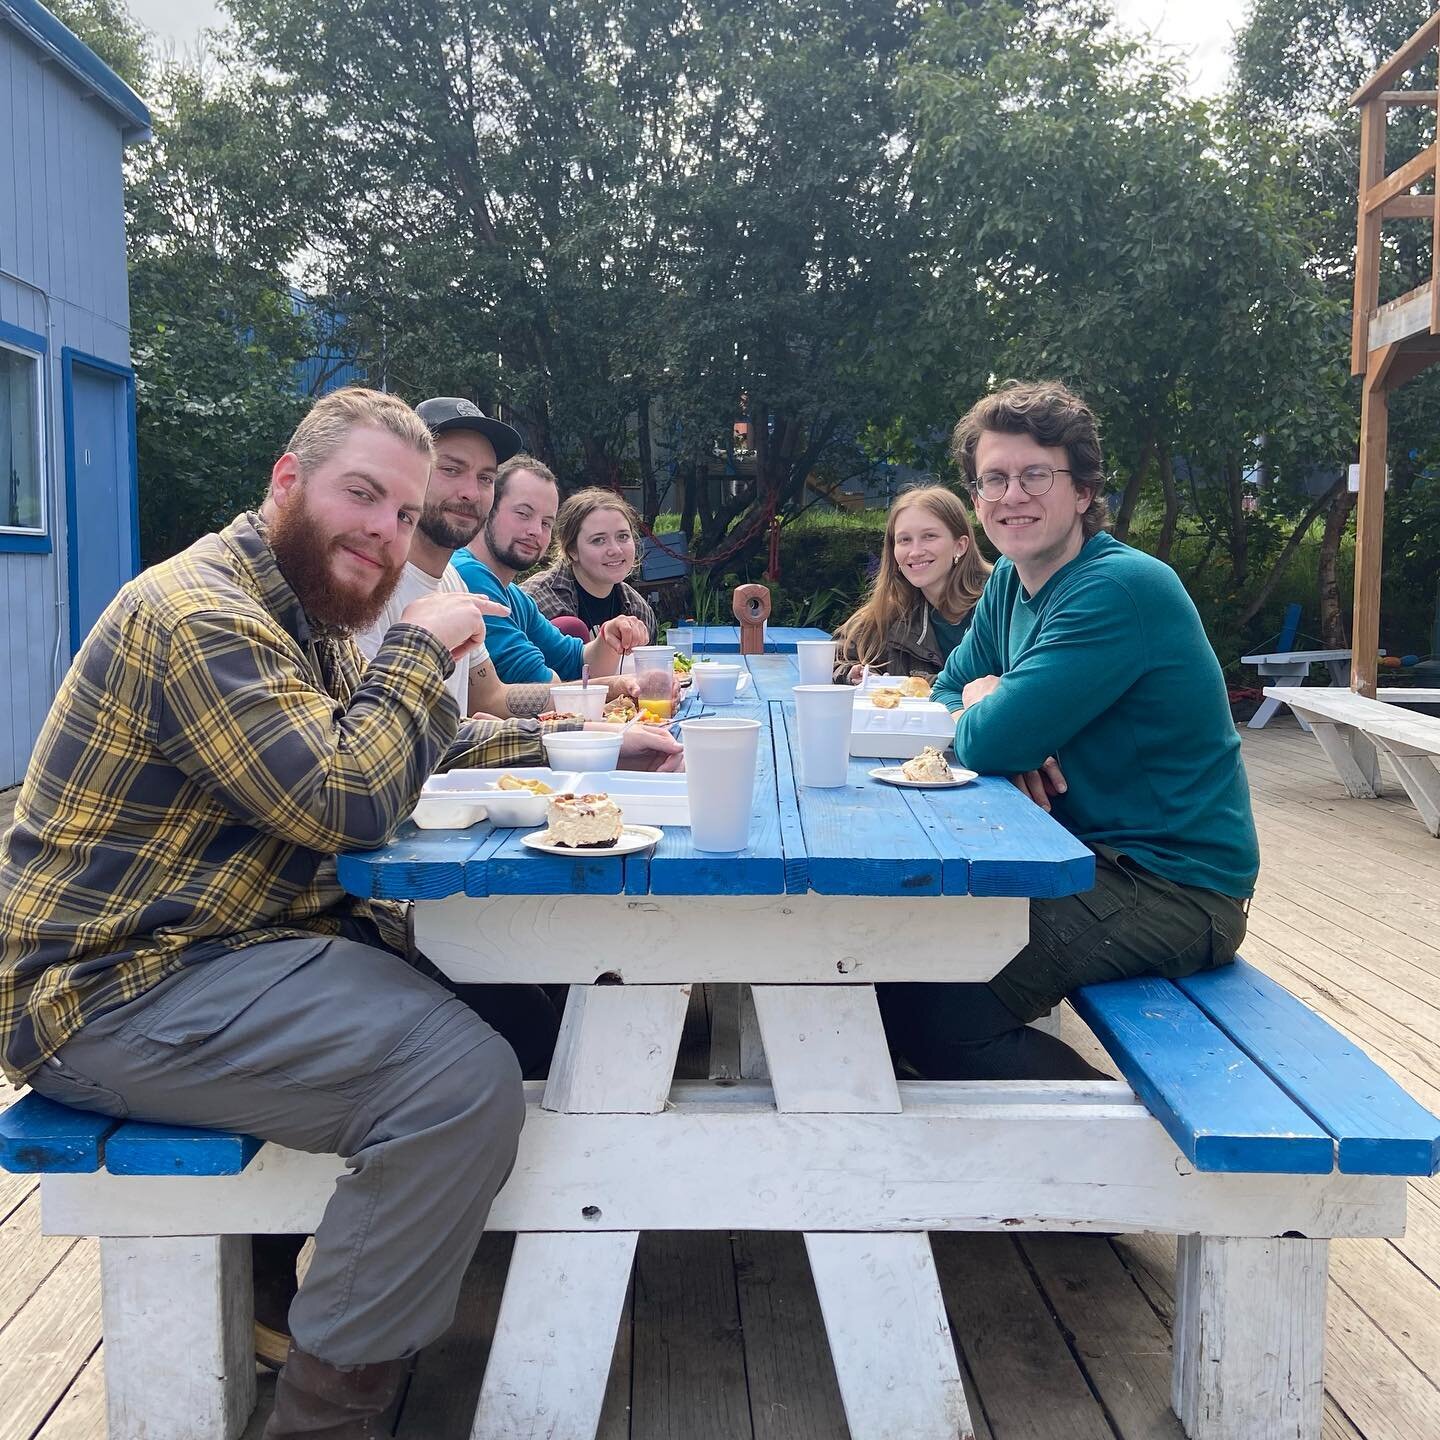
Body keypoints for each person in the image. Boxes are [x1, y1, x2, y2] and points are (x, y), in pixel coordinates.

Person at [0, 387, 626, 1438]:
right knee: (457, 1084)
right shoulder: (198, 615)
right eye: (362, 497)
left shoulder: (294, 611)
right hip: (114, 989)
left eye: (399, 512)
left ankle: (338, 1286)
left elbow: (387, 749)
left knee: (537, 1011)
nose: (383, 532)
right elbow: (349, 797)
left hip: (236, 948)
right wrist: (421, 649)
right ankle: (325, 1419)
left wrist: (581, 745)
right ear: (287, 480)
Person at [880, 380, 1259, 1082]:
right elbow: (938, 698)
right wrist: (986, 703)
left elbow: (987, 741)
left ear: (1083, 491)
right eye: (993, 479)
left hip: (1172, 886)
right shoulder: (1007, 584)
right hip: (1078, 855)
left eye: (1036, 475)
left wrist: (993, 719)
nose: (1011, 495)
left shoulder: (1115, 588)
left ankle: (1139, 1163)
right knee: (891, 962)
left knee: (940, 1016)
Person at [354, 395, 522, 714]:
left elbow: (489, 698)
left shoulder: (452, 580)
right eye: (450, 469)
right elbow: (367, 736)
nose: (470, 492)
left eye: (485, 478)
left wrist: (604, 695)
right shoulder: (367, 582)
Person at [452, 456, 651, 716]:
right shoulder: (468, 574)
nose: (536, 530)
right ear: (488, 506)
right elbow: (540, 683)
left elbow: (576, 661)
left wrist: (608, 636)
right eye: (523, 514)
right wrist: (613, 688)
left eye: (546, 522)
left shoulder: (514, 596)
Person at [832, 484, 990, 684]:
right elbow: (834, 658)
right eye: (905, 540)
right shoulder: (889, 613)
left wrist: (911, 684)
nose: (915, 552)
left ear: (960, 545)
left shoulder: (1003, 601)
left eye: (929, 536)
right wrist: (854, 673)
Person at [520, 486, 658, 643]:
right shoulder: (534, 603)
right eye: (598, 540)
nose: (615, 550)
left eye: (623, 536)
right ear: (572, 550)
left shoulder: (639, 610)